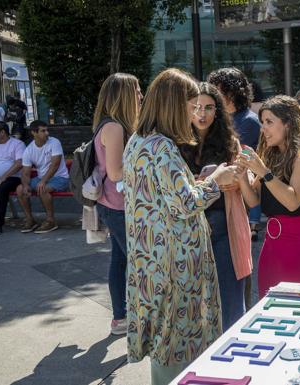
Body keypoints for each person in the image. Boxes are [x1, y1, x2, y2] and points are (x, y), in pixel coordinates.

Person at [123, 68, 239, 385]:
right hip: (174, 265)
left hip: (152, 261)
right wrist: (216, 180)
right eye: (190, 106)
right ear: (174, 105)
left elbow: (164, 197)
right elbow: (185, 203)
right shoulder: (161, 145)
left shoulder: (137, 140)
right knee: (175, 346)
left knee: (165, 343)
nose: (194, 113)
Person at [178, 81, 249, 331]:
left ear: (217, 111)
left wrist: (228, 178)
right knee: (194, 303)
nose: (202, 113)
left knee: (230, 301)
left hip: (223, 227)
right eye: (196, 107)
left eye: (208, 107)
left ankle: (234, 354)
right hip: (188, 232)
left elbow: (240, 183)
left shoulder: (230, 142)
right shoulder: (175, 143)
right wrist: (211, 181)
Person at [236, 95, 300, 299]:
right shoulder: (272, 155)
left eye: (269, 122)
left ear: (288, 124)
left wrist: (264, 171)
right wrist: (241, 177)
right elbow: (254, 201)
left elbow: (292, 202)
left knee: (293, 309)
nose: (263, 128)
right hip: (271, 246)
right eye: (262, 122)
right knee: (266, 307)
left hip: (299, 246)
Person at [92, 73, 143, 335]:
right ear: (123, 95)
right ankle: (132, 316)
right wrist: (148, 166)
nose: (141, 96)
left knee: (121, 260)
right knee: (137, 260)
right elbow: (115, 173)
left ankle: (120, 318)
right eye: (136, 91)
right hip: (118, 205)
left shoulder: (109, 124)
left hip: (114, 204)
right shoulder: (114, 128)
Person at [207, 67, 263, 241]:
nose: (213, 95)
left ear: (232, 92)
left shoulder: (248, 121)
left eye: (218, 90)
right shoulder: (219, 118)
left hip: (236, 193)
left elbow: (236, 160)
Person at [16, 120, 70, 233]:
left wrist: (43, 181)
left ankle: (51, 221)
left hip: (60, 178)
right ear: (34, 133)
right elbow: (25, 173)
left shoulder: (54, 142)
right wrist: (26, 185)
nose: (47, 133)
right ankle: (30, 220)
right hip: (41, 179)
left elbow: (55, 165)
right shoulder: (29, 150)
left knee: (42, 189)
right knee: (20, 189)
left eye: (47, 130)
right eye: (43, 131)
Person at [0, 121, 26, 235]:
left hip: (13, 177)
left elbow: (19, 163)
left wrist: (3, 176)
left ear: (2, 132)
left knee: (1, 188)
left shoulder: (17, 144)